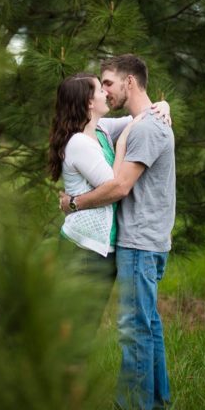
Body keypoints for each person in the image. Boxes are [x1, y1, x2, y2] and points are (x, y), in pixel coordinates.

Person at [59, 55, 176, 410]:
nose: (105, 92)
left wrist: (74, 202)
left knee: (134, 329)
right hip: (141, 240)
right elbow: (93, 130)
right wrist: (163, 104)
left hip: (140, 241)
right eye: (100, 87)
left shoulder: (147, 128)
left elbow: (119, 186)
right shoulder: (127, 124)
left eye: (108, 83)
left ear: (129, 82)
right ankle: (156, 406)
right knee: (148, 324)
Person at [47, 73, 171, 321]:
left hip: (99, 248)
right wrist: (123, 143)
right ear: (89, 103)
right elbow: (113, 186)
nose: (106, 92)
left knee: (83, 328)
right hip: (83, 248)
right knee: (75, 329)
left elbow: (137, 117)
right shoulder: (80, 142)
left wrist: (163, 105)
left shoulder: (101, 129)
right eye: (99, 89)